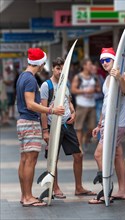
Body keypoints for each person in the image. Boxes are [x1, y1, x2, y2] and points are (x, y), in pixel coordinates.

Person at [40, 57, 96, 198]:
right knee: (53, 158)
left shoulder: (65, 83)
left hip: (67, 124)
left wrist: (73, 112)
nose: (60, 71)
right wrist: (45, 131)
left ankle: (79, 187)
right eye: (58, 68)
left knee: (78, 155)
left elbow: (68, 102)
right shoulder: (47, 86)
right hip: (53, 125)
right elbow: (43, 109)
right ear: (52, 68)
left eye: (62, 69)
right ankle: (55, 187)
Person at [16, 48, 65, 207]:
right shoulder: (30, 79)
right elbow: (31, 104)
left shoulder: (22, 76)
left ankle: (25, 196)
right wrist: (51, 110)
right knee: (30, 161)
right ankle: (29, 197)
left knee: (24, 160)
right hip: (30, 122)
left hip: (23, 122)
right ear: (41, 63)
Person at [88, 48, 125, 204]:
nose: (104, 63)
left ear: (115, 60)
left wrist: (119, 76)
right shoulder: (107, 79)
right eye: (102, 61)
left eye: (107, 60)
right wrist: (99, 124)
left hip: (116, 124)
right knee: (118, 155)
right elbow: (106, 104)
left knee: (99, 155)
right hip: (108, 123)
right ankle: (122, 191)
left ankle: (105, 191)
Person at [71, 58, 101, 153]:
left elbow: (98, 88)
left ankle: (86, 137)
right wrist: (84, 91)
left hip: (91, 104)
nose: (90, 66)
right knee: (79, 127)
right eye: (89, 64)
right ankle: (79, 147)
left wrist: (95, 90)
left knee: (92, 127)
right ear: (84, 66)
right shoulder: (78, 77)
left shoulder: (94, 77)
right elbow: (73, 90)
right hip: (81, 104)